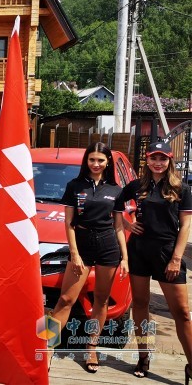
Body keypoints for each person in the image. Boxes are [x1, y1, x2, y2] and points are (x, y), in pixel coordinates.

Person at [114, 141, 192, 381]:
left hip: (168, 253)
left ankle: (191, 364)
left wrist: (176, 258)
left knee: (182, 312)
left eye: (163, 159)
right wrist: (127, 224)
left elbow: (186, 225)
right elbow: (114, 206)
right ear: (147, 160)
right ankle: (143, 355)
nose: (158, 163)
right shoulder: (137, 186)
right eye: (153, 158)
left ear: (169, 161)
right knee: (140, 304)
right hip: (139, 250)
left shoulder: (182, 188)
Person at [50, 142, 128, 373]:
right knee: (65, 299)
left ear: (107, 163)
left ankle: (91, 346)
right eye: (92, 159)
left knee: (101, 300)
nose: (95, 164)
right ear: (86, 161)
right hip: (81, 245)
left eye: (100, 160)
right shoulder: (74, 186)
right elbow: (68, 223)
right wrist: (74, 253)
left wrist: (124, 257)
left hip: (107, 247)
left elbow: (119, 227)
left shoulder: (116, 189)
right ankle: (44, 345)